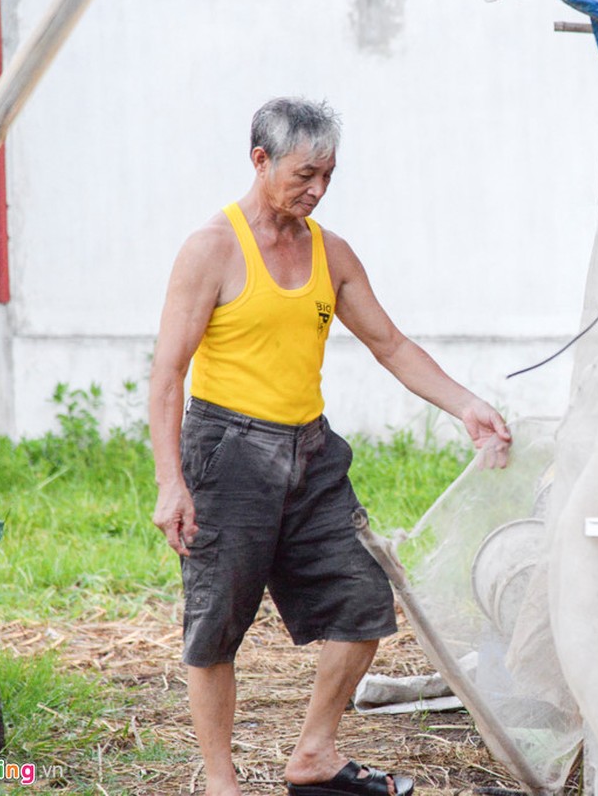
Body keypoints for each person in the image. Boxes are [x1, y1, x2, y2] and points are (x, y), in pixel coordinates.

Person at [149, 97, 511, 796]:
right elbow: (168, 373)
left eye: (328, 175)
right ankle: (222, 783)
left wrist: (465, 404)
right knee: (216, 622)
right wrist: (173, 481)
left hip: (311, 453)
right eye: (304, 174)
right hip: (228, 452)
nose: (316, 190)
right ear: (260, 160)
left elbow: (390, 343)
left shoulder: (330, 252)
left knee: (362, 596)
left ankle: (314, 755)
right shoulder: (211, 248)